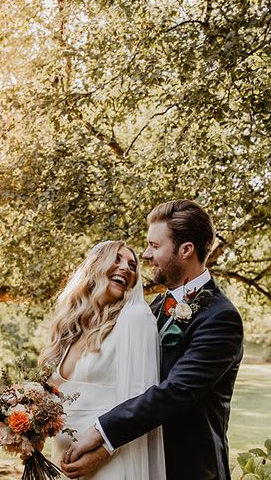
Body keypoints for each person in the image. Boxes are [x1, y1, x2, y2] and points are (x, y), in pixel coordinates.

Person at [61, 199, 244, 480]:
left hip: (185, 469)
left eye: (155, 246)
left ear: (185, 250)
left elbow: (175, 393)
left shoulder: (221, 318)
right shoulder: (152, 308)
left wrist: (101, 433)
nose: (146, 254)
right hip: (138, 462)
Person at [39, 240, 166, 480]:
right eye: (116, 259)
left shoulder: (135, 318)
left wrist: (100, 454)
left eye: (132, 265)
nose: (126, 268)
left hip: (108, 464)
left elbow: (141, 401)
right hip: (62, 464)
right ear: (95, 266)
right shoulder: (71, 329)